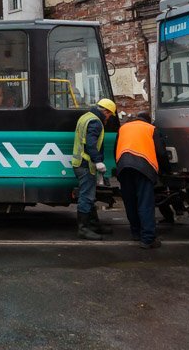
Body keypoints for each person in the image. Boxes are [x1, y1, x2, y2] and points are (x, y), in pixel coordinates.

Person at [115, 111, 169, 248]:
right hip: (144, 168)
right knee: (145, 203)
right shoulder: (151, 129)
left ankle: (136, 233)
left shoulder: (123, 128)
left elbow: (115, 149)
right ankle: (148, 238)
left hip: (123, 167)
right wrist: (166, 170)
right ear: (148, 121)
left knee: (130, 201)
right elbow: (161, 153)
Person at [71, 97, 117, 240]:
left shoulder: (86, 117)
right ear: (105, 111)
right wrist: (98, 161)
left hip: (80, 163)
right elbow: (90, 143)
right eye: (109, 115)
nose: (109, 118)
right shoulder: (95, 122)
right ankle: (84, 229)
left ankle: (94, 225)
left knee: (90, 196)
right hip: (86, 164)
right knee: (86, 197)